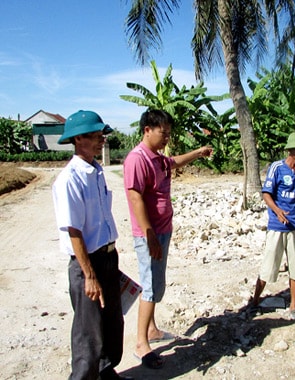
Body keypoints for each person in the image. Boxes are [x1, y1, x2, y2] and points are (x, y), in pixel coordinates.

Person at [123, 109, 212, 369]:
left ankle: (151, 329)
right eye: (163, 133)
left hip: (163, 231)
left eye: (169, 134)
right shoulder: (137, 159)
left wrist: (197, 153)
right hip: (150, 234)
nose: (166, 139)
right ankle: (141, 344)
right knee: (150, 286)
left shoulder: (158, 159)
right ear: (147, 130)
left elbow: (174, 162)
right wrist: (149, 234)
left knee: (157, 282)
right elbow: (135, 197)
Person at [52, 110, 131, 380]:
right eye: (96, 136)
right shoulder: (70, 179)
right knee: (89, 334)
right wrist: (89, 275)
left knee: (112, 323)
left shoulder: (96, 172)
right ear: (78, 139)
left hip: (108, 258)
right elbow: (74, 231)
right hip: (89, 263)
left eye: (101, 135)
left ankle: (107, 373)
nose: (102, 140)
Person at [252, 130, 295, 320]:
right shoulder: (277, 168)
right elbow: (266, 193)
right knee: (269, 266)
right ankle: (254, 302)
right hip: (277, 226)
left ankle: (293, 305)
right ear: (292, 150)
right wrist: (277, 210)